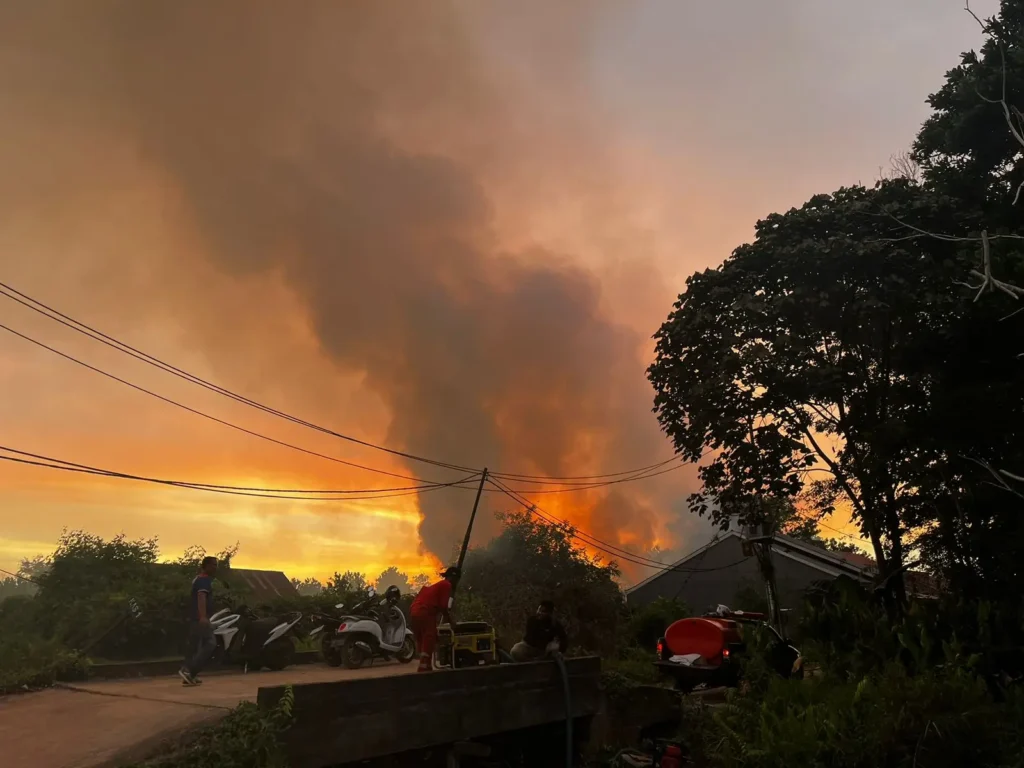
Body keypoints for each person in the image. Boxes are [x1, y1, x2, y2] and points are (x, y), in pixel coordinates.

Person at [409, 565, 458, 673]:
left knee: (423, 639)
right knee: (429, 636)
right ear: (453, 578)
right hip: (425, 611)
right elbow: (443, 606)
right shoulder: (446, 584)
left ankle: (426, 666)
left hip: (414, 611)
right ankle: (423, 668)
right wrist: (451, 621)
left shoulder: (434, 587)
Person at [179, 555, 218, 686]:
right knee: (211, 643)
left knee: (195, 646)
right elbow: (201, 596)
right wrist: (203, 616)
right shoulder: (204, 580)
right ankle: (189, 670)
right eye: (213, 565)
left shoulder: (199, 579)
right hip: (199, 618)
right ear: (206, 566)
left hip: (195, 618)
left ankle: (190, 674)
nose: (215, 567)